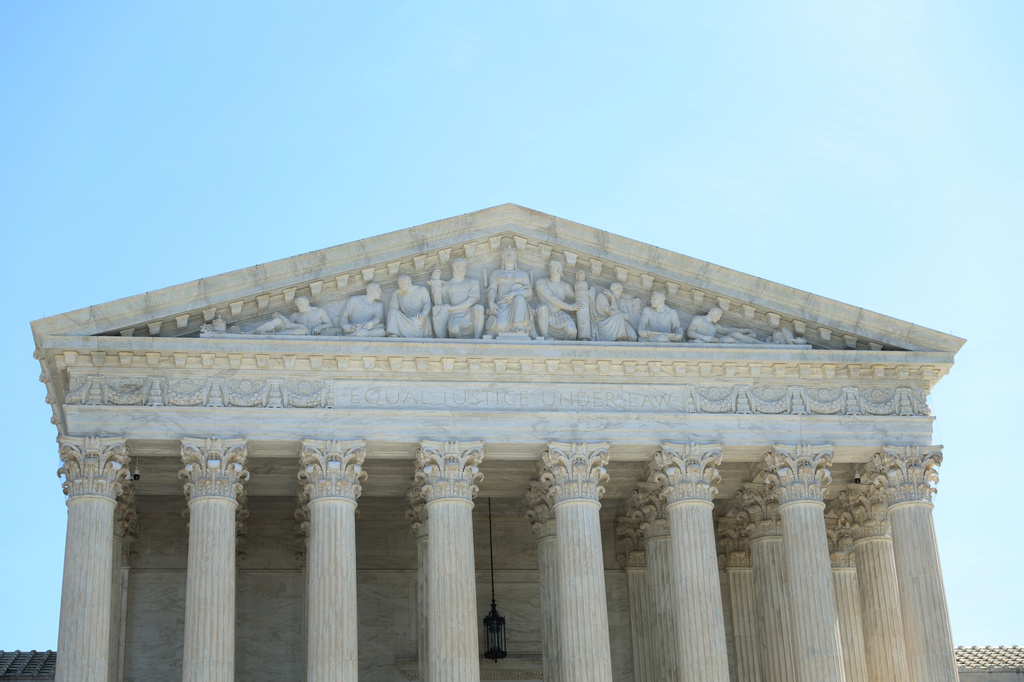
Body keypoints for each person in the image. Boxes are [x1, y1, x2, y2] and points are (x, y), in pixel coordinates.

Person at [431, 258, 485, 339]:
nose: (464, 268)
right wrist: (435, 282)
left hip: (469, 314)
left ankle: (477, 340)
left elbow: (472, 300)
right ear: (454, 267)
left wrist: (452, 308)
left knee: (479, 308)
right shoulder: (447, 285)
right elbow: (438, 303)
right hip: (454, 316)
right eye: (461, 266)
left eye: (465, 266)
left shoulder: (473, 282)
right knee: (453, 329)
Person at [486, 247, 534, 337]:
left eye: (512, 254)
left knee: (519, 298)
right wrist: (491, 302)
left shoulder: (522, 274)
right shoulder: (496, 273)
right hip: (502, 305)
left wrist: (513, 294)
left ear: (515, 258)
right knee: (501, 326)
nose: (509, 256)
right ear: (503, 258)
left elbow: (529, 293)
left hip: (519, 306)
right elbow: (492, 289)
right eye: (506, 254)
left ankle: (520, 326)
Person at [534, 260, 582, 340]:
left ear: (560, 270)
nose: (551, 268)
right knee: (543, 308)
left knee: (572, 330)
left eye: (554, 266)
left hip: (559, 314)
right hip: (546, 314)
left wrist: (581, 280)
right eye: (550, 266)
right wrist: (569, 307)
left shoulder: (565, 286)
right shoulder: (541, 282)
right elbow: (551, 298)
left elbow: (578, 299)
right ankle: (545, 338)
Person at [248, 296, 333, 335]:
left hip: (308, 333)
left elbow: (330, 324)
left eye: (301, 304)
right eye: (298, 305)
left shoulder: (319, 311)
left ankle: (268, 335)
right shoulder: (295, 315)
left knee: (300, 331)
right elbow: (288, 325)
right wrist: (281, 317)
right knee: (278, 320)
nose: (300, 307)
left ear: (307, 302)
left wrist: (319, 327)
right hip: (299, 330)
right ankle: (251, 332)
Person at [687, 306, 763, 344]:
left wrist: (745, 330)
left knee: (735, 334)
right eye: (718, 315)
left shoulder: (715, 326)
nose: (719, 318)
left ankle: (761, 345)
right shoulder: (699, 319)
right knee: (730, 340)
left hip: (715, 343)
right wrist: (704, 338)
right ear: (712, 313)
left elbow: (728, 330)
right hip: (701, 343)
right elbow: (690, 332)